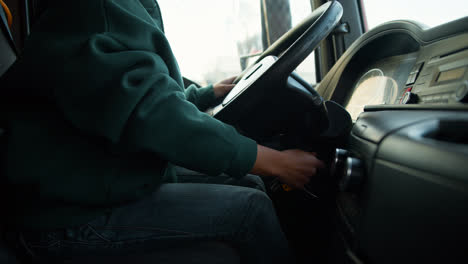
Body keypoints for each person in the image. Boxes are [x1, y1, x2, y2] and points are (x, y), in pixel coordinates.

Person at [1, 0, 325, 263]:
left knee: (250, 182)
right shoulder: (94, 11)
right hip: (64, 219)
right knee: (251, 211)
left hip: (95, 181)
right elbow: (155, 115)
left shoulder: (118, 9)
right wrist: (274, 161)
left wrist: (206, 94)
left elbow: (131, 94)